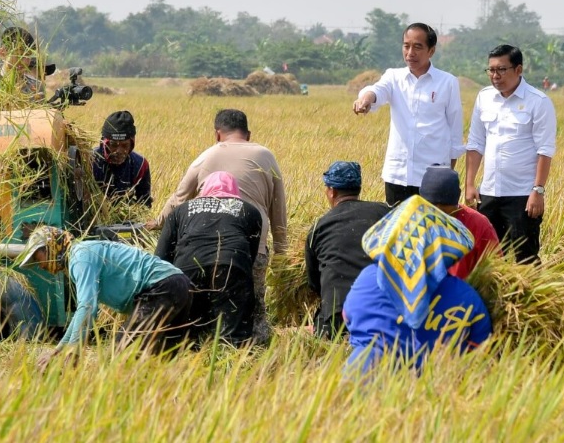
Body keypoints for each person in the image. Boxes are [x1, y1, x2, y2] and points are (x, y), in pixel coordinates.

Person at [153, 109, 287, 345]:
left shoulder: (208, 155)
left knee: (197, 312)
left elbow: (179, 198)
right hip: (249, 246)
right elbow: (279, 210)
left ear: (217, 134)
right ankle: (250, 356)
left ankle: (198, 353)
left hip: (196, 247)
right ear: (248, 134)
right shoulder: (266, 156)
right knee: (251, 309)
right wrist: (281, 253)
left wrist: (158, 222)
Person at [343, 196, 492, 375]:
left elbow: (348, 318)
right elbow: (481, 352)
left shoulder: (366, 280)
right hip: (433, 395)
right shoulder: (467, 300)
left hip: (357, 388)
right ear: (444, 249)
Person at [23, 226, 192, 371]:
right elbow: (80, 313)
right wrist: (60, 349)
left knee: (120, 355)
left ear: (51, 246)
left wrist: (74, 349)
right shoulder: (83, 253)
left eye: (38, 258)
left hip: (161, 288)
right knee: (162, 364)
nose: (41, 266)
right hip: (178, 284)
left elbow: (88, 307)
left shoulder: (80, 256)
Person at [352, 23, 466, 206]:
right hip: (398, 174)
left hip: (434, 179)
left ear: (431, 51)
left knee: (429, 232)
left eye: (418, 47)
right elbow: (377, 91)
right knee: (398, 230)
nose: (410, 52)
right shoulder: (394, 77)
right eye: (406, 46)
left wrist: (447, 174)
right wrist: (366, 98)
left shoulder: (447, 82)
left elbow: (455, 131)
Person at [465, 44, 557, 264]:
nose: (495, 76)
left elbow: (545, 150)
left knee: (525, 259)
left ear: (518, 70)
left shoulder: (538, 102)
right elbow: (476, 142)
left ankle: (526, 299)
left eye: (501, 70)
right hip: (488, 193)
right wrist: (469, 184)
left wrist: (538, 190)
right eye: (491, 70)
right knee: (488, 259)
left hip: (522, 196)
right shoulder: (484, 98)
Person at [155, 171, 261, 345]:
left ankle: (187, 364)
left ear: (204, 190)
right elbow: (251, 254)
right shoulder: (249, 210)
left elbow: (161, 256)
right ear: (235, 192)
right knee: (233, 339)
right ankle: (232, 364)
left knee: (185, 336)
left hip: (188, 268)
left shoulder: (181, 210)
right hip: (231, 267)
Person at [304, 161, 390, 338]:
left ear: (332, 191)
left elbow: (315, 284)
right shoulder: (385, 212)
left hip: (336, 319)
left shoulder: (319, 227)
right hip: (383, 313)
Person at [419, 165, 499, 279]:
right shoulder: (410, 221)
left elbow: (495, 270)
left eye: (445, 212)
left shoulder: (479, 225)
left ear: (456, 205)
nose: (439, 216)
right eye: (432, 209)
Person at [0, 26, 47, 109]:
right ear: (2, 53)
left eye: (28, 55)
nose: (24, 61)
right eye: (19, 55)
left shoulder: (36, 88)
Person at [93, 111, 153, 207]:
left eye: (125, 145)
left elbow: (144, 204)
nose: (119, 151)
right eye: (113, 145)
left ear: (132, 144)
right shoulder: (89, 160)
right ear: (104, 142)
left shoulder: (140, 165)